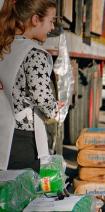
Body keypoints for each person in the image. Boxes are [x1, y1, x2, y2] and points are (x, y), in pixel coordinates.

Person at [0, 0, 63, 172]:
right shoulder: (34, 53)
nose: (52, 28)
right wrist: (54, 108)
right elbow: (41, 96)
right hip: (24, 138)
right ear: (35, 20)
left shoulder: (5, 46)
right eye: (51, 21)